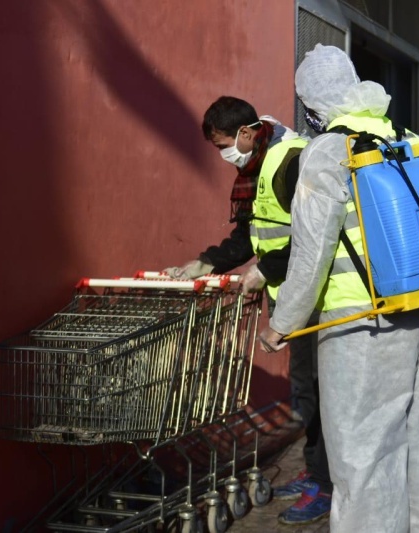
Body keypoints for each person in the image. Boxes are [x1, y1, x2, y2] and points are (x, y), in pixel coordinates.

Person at [258, 44, 419, 533]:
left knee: (363, 455)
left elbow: (312, 252)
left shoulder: (328, 150)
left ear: (312, 103)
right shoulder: (404, 136)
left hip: (357, 324)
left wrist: (282, 323)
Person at [163, 96, 332, 525]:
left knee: (319, 388)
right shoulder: (253, 168)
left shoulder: (289, 162)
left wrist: (265, 269)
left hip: (316, 294)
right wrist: (204, 264)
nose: (224, 156)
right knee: (305, 388)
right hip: (289, 293)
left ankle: (327, 484)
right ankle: (316, 472)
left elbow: (316, 234)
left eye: (224, 145)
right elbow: (248, 236)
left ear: (246, 133)